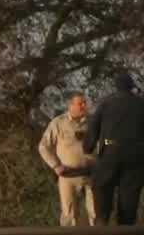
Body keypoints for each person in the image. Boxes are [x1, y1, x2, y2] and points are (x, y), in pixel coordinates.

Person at [82, 73, 144, 226]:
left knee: (102, 193)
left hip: (109, 154)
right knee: (129, 203)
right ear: (132, 87)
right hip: (134, 156)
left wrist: (88, 147)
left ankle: (101, 223)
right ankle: (125, 228)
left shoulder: (105, 104)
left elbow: (93, 127)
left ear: (116, 86)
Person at [37, 91, 97, 226]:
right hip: (68, 176)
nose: (84, 106)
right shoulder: (58, 123)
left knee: (96, 214)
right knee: (69, 217)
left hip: (91, 175)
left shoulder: (93, 122)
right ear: (70, 105)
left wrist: (113, 145)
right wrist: (55, 165)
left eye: (84, 103)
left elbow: (105, 142)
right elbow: (43, 146)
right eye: (80, 103)